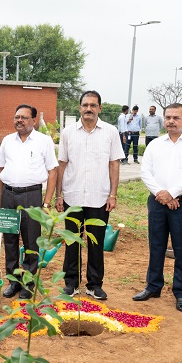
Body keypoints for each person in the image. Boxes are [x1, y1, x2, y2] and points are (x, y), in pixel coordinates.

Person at [133, 104, 182, 312]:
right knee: (156, 245)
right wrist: (162, 195)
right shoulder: (155, 144)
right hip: (157, 201)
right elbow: (145, 172)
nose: (171, 121)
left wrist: (172, 193)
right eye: (168, 117)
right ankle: (153, 286)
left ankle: (181, 292)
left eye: (175, 117)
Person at [55, 91, 124, 299]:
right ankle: (71, 284)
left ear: (99, 108)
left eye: (93, 105)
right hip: (72, 197)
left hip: (99, 197)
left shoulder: (110, 132)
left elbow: (114, 164)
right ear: (79, 107)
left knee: (96, 242)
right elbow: (62, 164)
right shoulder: (68, 133)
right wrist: (59, 195)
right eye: (85, 105)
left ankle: (94, 284)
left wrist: (113, 194)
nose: (89, 109)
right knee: (72, 241)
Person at [0, 104, 58, 299]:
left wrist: (46, 202)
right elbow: (0, 169)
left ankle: (28, 284)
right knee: (10, 240)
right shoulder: (7, 141)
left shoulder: (44, 141)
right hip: (8, 195)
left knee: (31, 241)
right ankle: (13, 282)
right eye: (16, 117)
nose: (19, 120)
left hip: (31, 196)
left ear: (33, 120)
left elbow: (52, 171)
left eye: (23, 117)